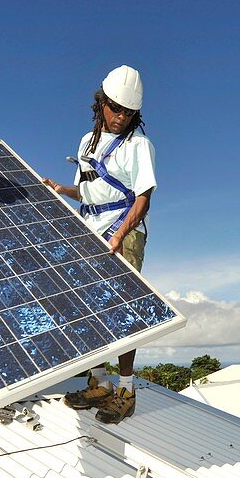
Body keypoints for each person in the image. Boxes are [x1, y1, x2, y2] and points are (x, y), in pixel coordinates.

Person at [43, 65, 155, 424]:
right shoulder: (85, 142)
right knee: (89, 309)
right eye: (114, 108)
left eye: (127, 112)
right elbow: (90, 192)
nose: (120, 117)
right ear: (101, 103)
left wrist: (120, 234)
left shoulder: (139, 146)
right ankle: (99, 383)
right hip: (89, 226)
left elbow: (142, 199)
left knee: (122, 310)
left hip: (124, 230)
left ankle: (125, 389)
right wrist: (63, 190)